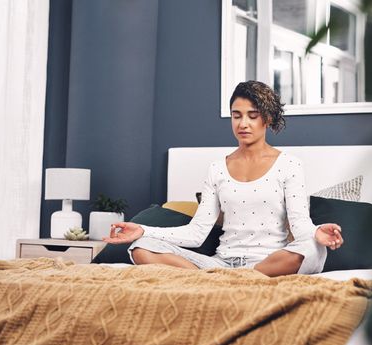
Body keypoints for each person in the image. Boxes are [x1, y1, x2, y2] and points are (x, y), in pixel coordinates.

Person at [103, 81, 343, 276]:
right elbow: (196, 233)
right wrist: (142, 231)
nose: (243, 123)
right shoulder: (217, 169)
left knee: (312, 249)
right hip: (220, 265)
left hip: (268, 263)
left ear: (267, 119)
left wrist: (317, 233)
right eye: (236, 115)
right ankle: (220, 280)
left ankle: (236, 280)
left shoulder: (289, 165)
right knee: (140, 249)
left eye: (252, 115)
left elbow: (300, 226)